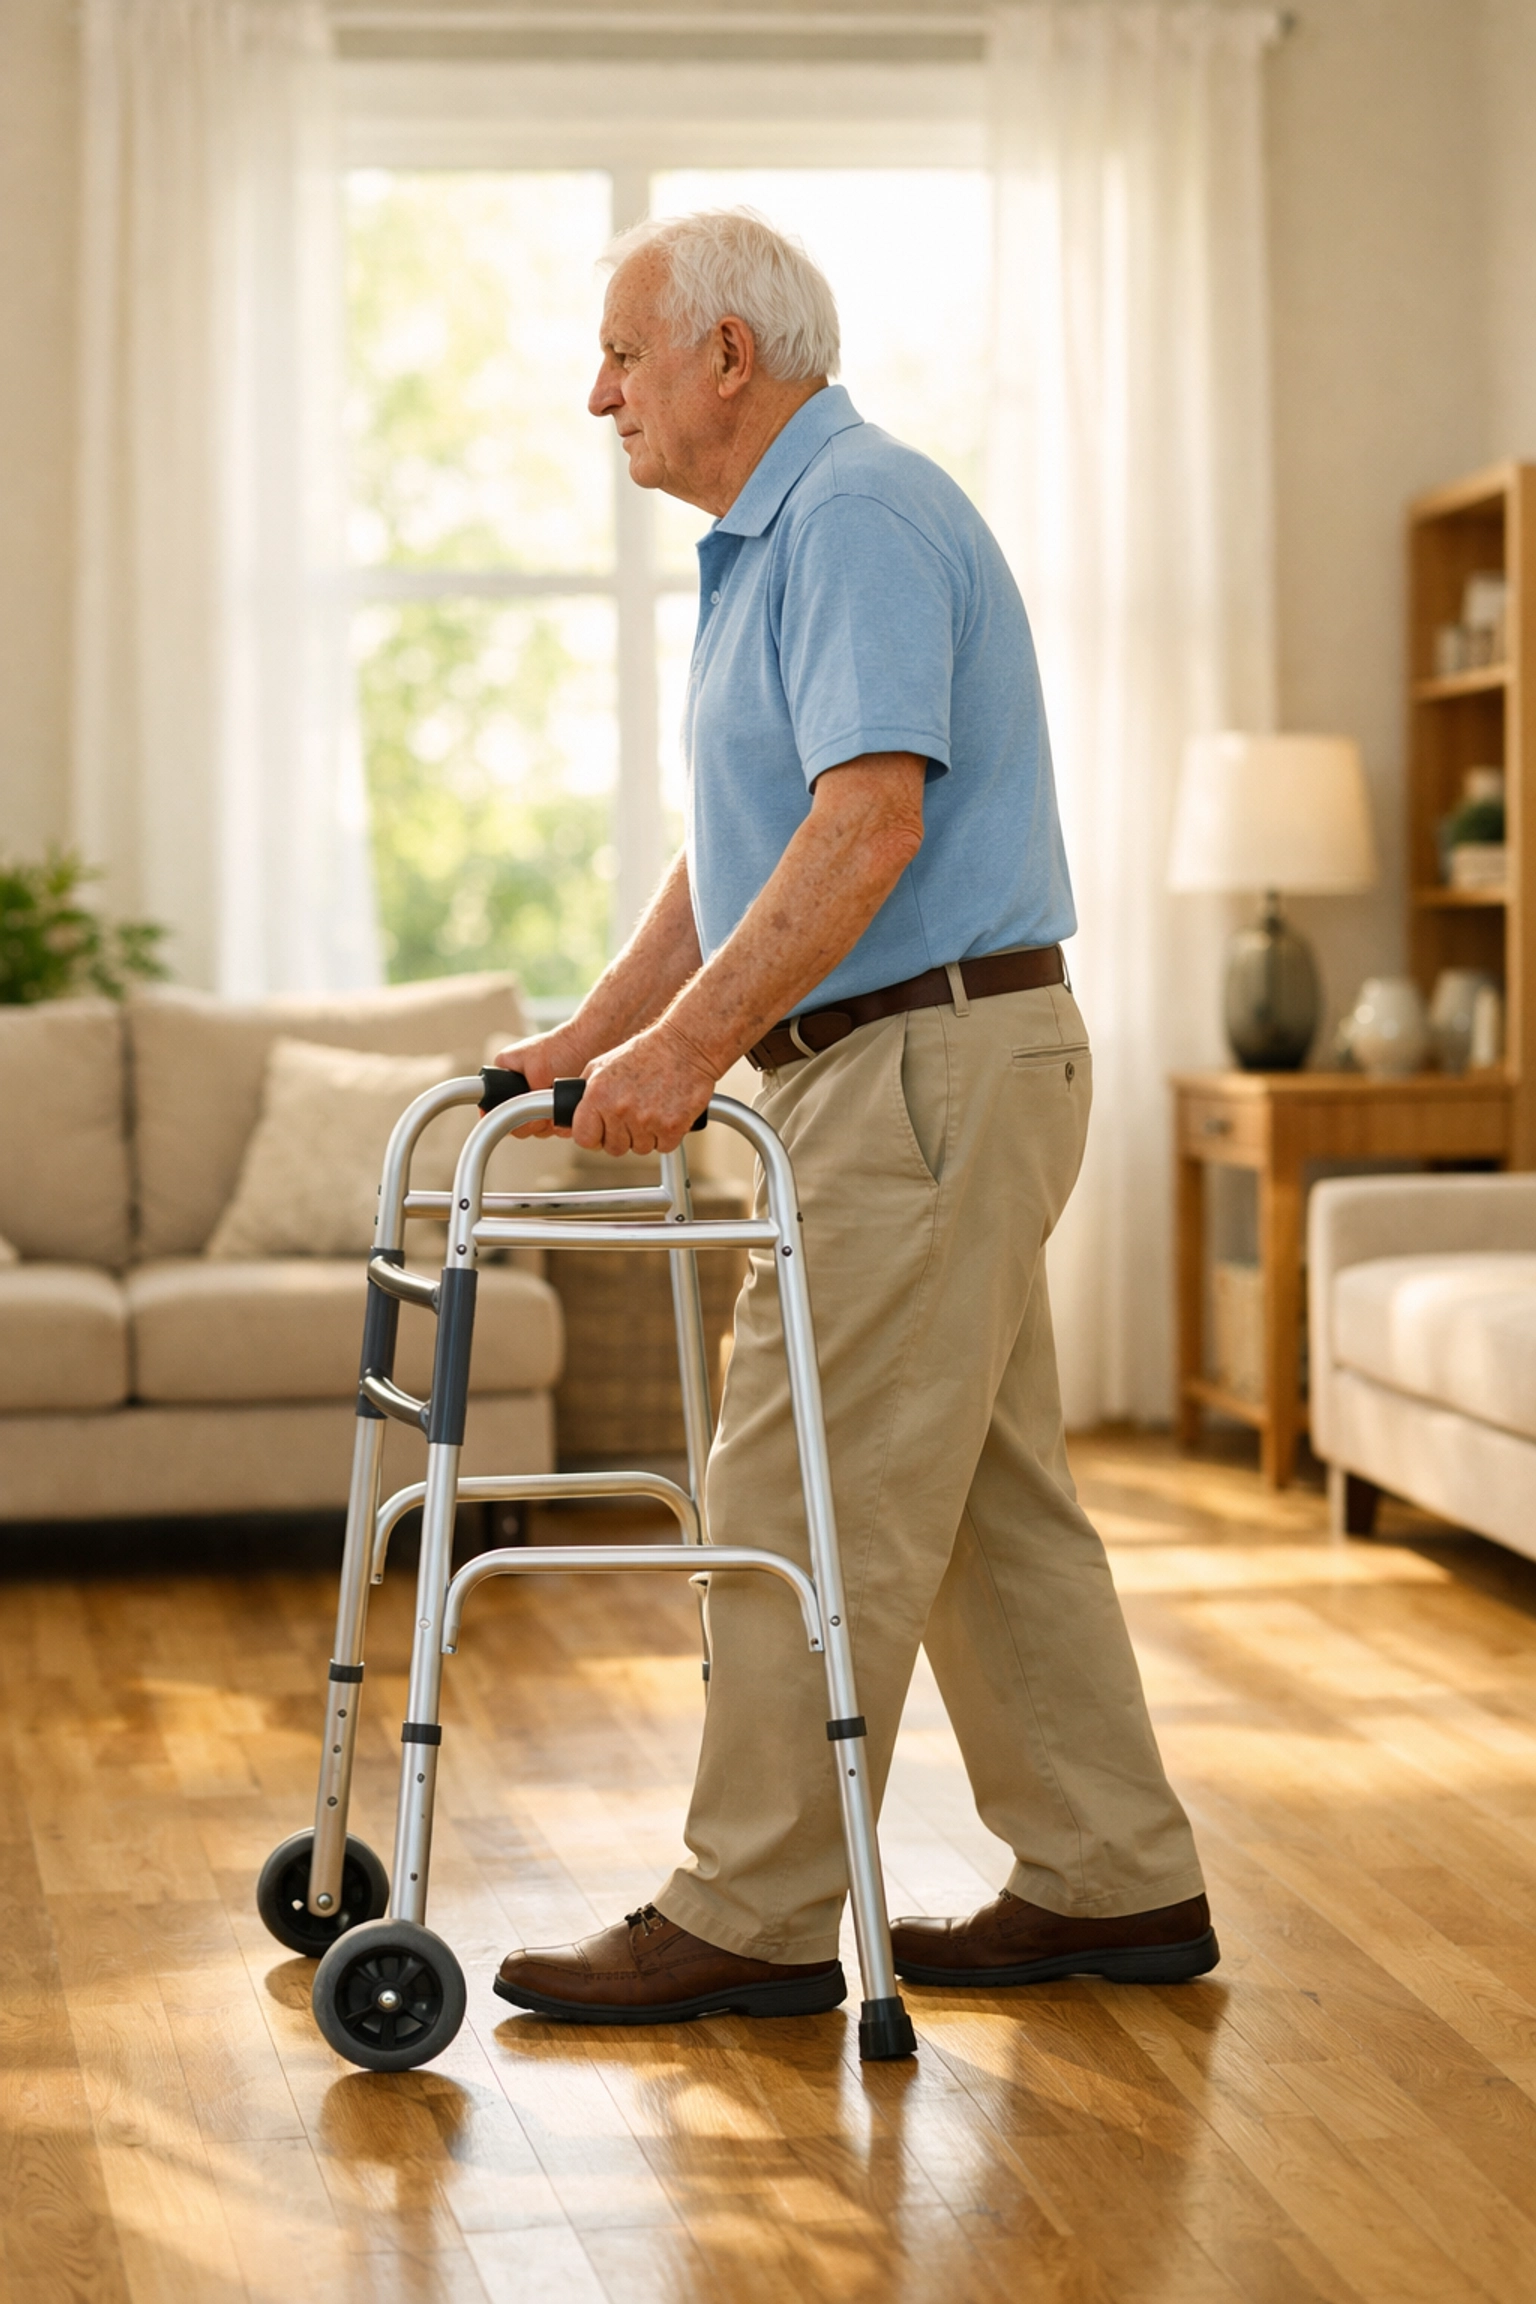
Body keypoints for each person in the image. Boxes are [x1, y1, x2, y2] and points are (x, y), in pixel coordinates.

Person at [491, 209, 1215, 2028]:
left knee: (788, 1484)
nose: (601, 395)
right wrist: (602, 1031)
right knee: (981, 1500)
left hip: (924, 1067)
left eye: (623, 355)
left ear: (729, 357)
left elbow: (870, 824)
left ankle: (751, 1911)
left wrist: (691, 1055)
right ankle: (1112, 1879)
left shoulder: (858, 514)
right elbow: (743, 843)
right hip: (931, 1068)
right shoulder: (781, 542)